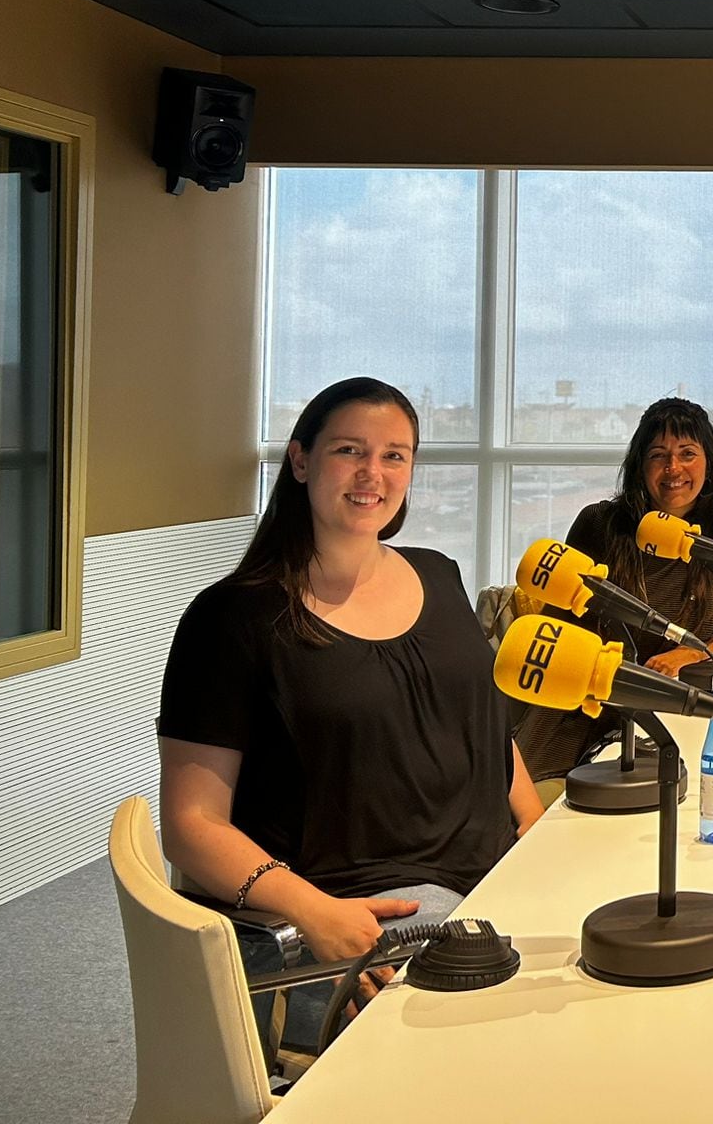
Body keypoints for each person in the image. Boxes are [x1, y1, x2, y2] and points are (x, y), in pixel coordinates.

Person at [157, 377, 543, 1049]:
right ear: (302, 461)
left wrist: (538, 826)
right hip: (358, 916)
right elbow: (190, 826)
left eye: (395, 455)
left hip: (493, 882)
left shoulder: (438, 573)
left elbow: (483, 728)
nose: (374, 473)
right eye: (349, 451)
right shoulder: (232, 620)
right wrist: (315, 913)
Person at [514, 397, 713, 782]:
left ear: (709, 464)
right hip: (584, 698)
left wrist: (686, 655)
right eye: (658, 455)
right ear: (640, 468)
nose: (673, 468)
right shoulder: (599, 524)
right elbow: (557, 627)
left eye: (687, 453)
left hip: (671, 701)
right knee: (537, 803)